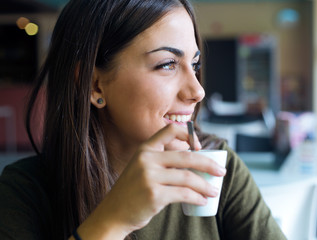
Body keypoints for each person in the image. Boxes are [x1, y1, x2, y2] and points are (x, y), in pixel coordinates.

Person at [0, 0, 286, 239]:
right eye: (167, 65)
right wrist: (113, 221)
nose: (198, 91)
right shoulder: (24, 193)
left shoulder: (216, 166)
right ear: (93, 85)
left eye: (194, 65)